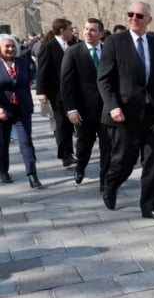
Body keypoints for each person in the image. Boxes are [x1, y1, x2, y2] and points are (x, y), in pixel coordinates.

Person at [97, 1, 154, 222]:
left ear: (149, 19)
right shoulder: (114, 42)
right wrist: (113, 107)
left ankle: (149, 206)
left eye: (140, 15)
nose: (134, 18)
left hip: (152, 114)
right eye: (131, 14)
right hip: (125, 114)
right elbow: (104, 79)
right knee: (124, 162)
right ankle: (111, 184)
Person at [60, 18, 110, 191]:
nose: (88, 32)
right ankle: (80, 166)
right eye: (86, 29)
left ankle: (105, 180)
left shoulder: (108, 51)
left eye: (93, 30)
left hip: (106, 110)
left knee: (108, 146)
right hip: (83, 110)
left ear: (101, 34)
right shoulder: (73, 52)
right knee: (84, 144)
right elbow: (66, 83)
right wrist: (71, 109)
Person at [0, 34, 42, 188]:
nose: (11, 49)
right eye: (7, 46)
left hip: (22, 108)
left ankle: (32, 174)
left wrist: (29, 104)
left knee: (26, 141)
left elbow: (25, 84)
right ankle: (3, 170)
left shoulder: (21, 62)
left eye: (13, 46)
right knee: (2, 142)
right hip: (3, 109)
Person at [36, 18, 77, 167]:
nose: (72, 31)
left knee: (71, 124)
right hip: (57, 93)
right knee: (62, 124)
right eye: (69, 28)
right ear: (62, 31)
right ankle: (65, 155)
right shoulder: (49, 46)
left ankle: (71, 151)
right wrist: (41, 91)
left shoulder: (73, 45)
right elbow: (42, 70)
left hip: (73, 92)